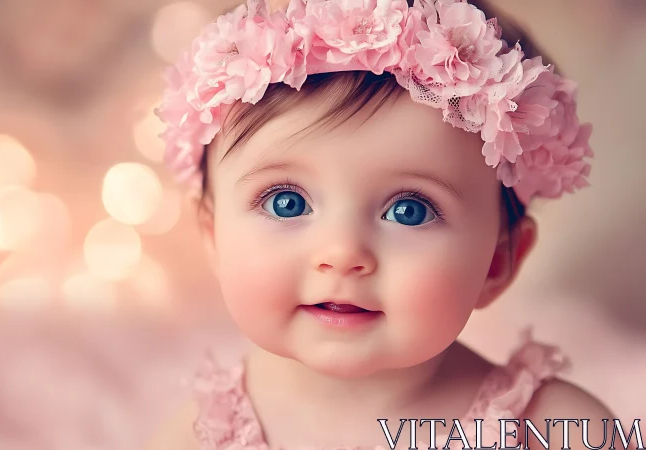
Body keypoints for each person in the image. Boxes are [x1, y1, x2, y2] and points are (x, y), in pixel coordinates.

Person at [147, 1, 624, 449]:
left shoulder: (549, 428)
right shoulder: (202, 434)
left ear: (498, 262)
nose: (342, 252)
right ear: (212, 236)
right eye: (287, 203)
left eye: (408, 211)